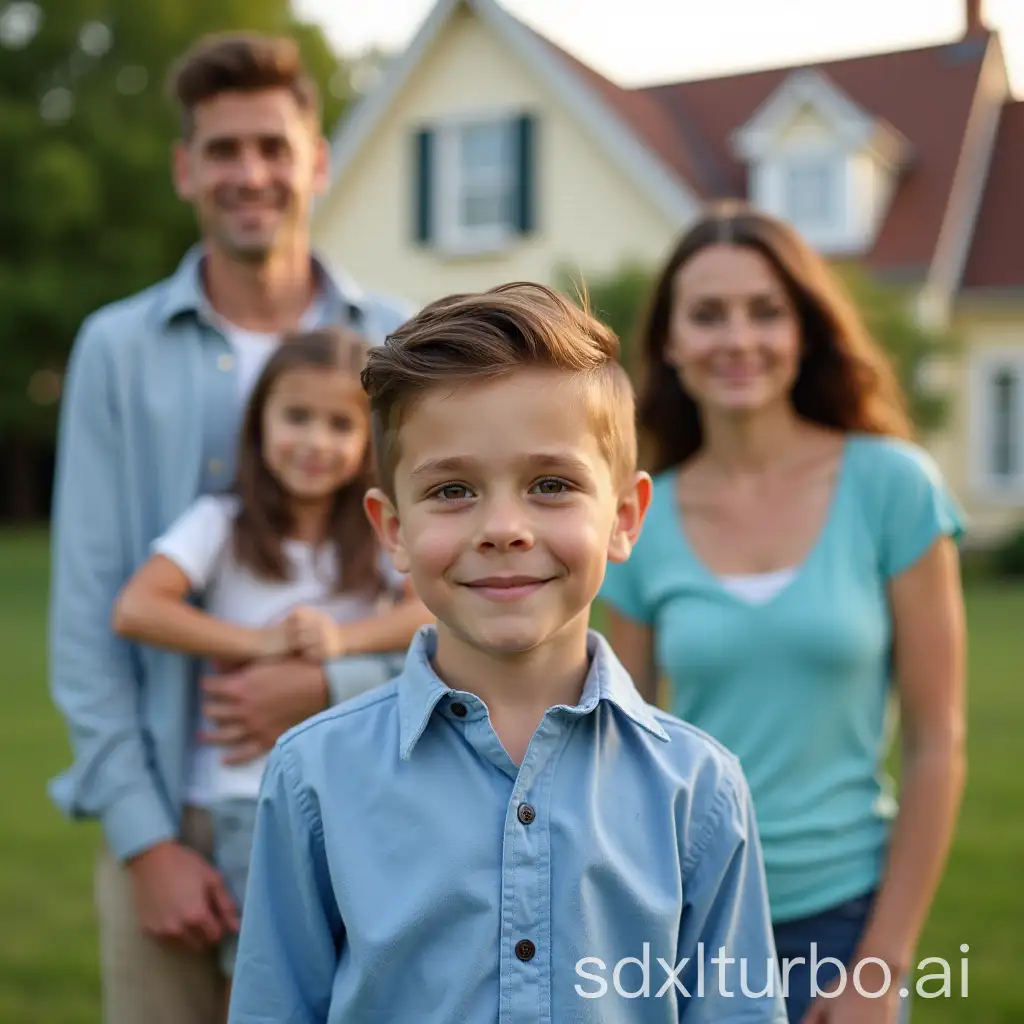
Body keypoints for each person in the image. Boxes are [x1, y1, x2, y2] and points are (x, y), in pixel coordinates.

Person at [225, 282, 789, 1023]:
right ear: (391, 529)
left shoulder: (699, 791)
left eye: (550, 485)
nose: (503, 528)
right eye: (453, 490)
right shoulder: (312, 778)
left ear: (624, 518)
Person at [46, 31, 414, 1024]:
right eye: (222, 151)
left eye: (272, 147)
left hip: (379, 811)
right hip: (178, 812)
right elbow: (90, 609)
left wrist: (328, 677)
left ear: (317, 162)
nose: (249, 174)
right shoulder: (117, 349)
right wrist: (145, 841)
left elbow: (452, 594)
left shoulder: (408, 338)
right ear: (184, 169)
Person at [598, 201, 966, 1023]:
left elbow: (939, 740)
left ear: (804, 330)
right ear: (670, 342)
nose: (738, 339)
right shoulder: (641, 519)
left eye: (766, 311)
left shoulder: (892, 488)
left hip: (846, 920)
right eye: (708, 314)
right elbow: (624, 749)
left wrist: (883, 964)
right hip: (686, 917)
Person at [110, 326, 431, 1001]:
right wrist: (257, 643)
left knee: (354, 981)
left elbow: (427, 613)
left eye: (340, 423)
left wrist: (342, 642)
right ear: (259, 424)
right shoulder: (220, 524)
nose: (315, 441)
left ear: (368, 441)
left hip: (359, 791)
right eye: (296, 416)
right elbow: (139, 608)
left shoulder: (376, 534)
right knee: (262, 984)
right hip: (245, 799)